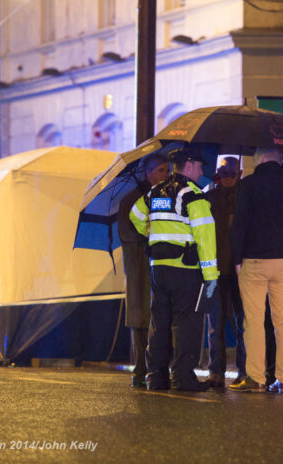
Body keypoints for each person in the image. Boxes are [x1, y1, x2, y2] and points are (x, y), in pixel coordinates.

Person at [129, 147, 219, 392]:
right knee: (186, 324)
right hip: (185, 269)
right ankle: (182, 378)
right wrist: (211, 277)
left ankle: (156, 377)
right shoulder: (193, 195)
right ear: (188, 165)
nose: (201, 173)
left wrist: (155, 235)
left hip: (159, 269)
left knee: (159, 324)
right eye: (200, 167)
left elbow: (135, 215)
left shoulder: (155, 192)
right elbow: (206, 238)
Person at [228, 147, 283, 393]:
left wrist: (236, 258)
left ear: (259, 159)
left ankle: (257, 378)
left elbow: (239, 224)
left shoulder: (248, 185)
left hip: (254, 260)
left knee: (253, 321)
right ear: (280, 159)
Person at [116, 153, 169, 388]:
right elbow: (129, 233)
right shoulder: (131, 200)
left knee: (156, 315)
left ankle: (156, 366)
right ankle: (140, 367)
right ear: (148, 173)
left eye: (168, 171)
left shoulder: (164, 197)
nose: (166, 175)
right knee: (139, 316)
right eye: (161, 171)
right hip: (139, 265)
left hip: (156, 263)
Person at [206, 157, 247, 389]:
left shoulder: (246, 198)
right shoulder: (211, 199)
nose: (228, 177)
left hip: (241, 269)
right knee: (216, 323)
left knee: (244, 323)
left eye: (232, 173)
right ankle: (216, 372)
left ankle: (243, 370)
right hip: (218, 269)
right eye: (224, 173)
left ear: (239, 172)